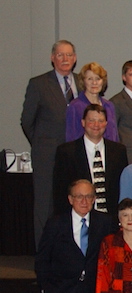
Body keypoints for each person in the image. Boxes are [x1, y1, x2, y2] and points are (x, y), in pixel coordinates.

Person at [36, 180, 114, 293]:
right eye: (79, 196)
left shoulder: (105, 223)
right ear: (70, 199)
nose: (84, 201)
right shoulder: (55, 224)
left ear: (94, 199)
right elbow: (42, 260)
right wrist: (47, 290)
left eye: (89, 196)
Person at [22, 40, 81, 244]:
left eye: (69, 55)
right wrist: (42, 144)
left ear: (75, 58)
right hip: (47, 156)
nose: (65, 59)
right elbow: (27, 121)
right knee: (45, 207)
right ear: (52, 57)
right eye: (60, 55)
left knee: (76, 203)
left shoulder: (83, 82)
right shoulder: (38, 84)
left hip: (75, 155)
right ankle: (44, 258)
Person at [53, 104, 129, 216]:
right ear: (83, 123)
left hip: (111, 220)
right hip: (80, 219)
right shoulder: (66, 152)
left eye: (100, 121)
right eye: (91, 120)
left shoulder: (119, 151)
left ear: (106, 124)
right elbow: (60, 192)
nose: (96, 125)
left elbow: (122, 188)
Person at [66, 62, 120, 143]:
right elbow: (71, 137)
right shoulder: (75, 106)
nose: (94, 83)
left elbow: (114, 136)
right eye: (90, 79)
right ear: (83, 81)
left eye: (98, 79)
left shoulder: (109, 106)